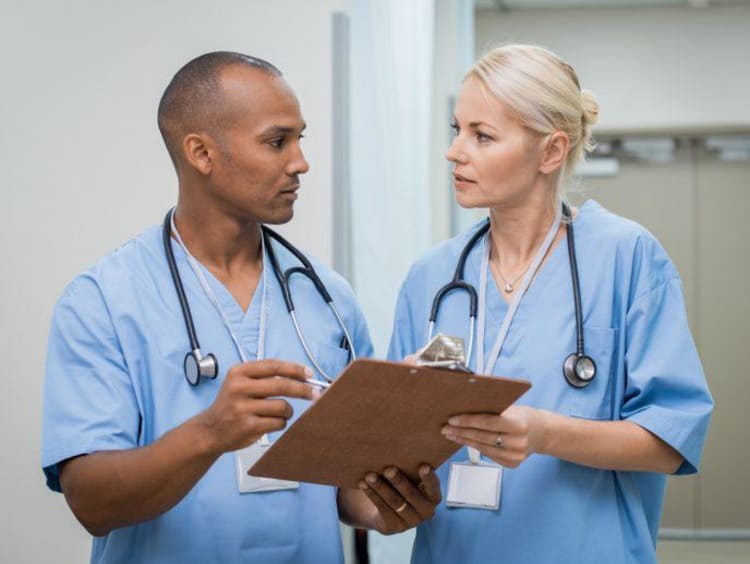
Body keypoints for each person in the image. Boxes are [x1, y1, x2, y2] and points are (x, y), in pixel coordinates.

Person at [42, 51, 439, 564]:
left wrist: (385, 507)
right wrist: (210, 432)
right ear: (201, 153)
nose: (300, 162)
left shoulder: (328, 298)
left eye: (300, 139)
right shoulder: (102, 302)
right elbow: (91, 502)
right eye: (277, 141)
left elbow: (344, 484)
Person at [388, 44, 713, 563]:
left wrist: (545, 433)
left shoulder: (624, 257)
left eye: (482, 135)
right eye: (457, 131)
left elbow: (671, 441)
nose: (455, 151)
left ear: (551, 152)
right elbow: (399, 446)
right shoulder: (432, 277)